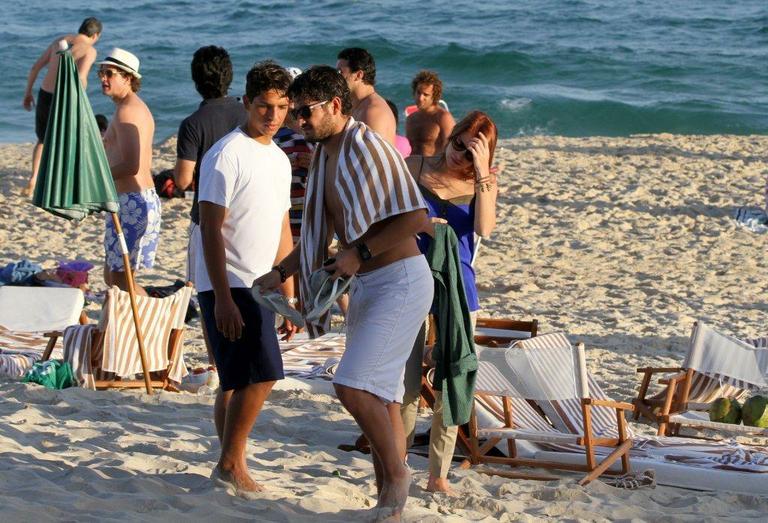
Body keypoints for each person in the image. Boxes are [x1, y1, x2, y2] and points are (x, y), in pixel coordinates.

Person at [254, 65, 432, 521]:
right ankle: (389, 503)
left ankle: (397, 476)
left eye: (304, 112)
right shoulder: (327, 155)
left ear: (335, 105)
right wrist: (280, 272)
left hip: (401, 279)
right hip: (369, 283)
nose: (297, 122)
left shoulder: (366, 146)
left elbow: (417, 219)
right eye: (294, 113)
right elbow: (322, 239)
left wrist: (361, 252)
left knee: (352, 385)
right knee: (383, 396)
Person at [194, 60, 294, 498]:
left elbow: (281, 226)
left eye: (282, 107)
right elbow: (209, 229)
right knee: (266, 373)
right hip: (227, 281)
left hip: (261, 282)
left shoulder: (279, 158)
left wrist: (287, 289)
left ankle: (231, 461)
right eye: (263, 107)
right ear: (246, 103)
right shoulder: (225, 154)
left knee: (235, 380)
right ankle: (231, 463)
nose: (272, 116)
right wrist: (221, 298)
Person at [400, 111, 498, 494]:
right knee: (406, 384)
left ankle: (438, 474)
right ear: (451, 135)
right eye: (460, 143)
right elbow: (388, 215)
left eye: (472, 149)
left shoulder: (484, 185)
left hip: (459, 293)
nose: (461, 154)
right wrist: (419, 225)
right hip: (410, 284)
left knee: (451, 383)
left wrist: (482, 168)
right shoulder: (414, 166)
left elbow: (484, 229)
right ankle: (399, 463)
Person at [174, 46, 247, 366]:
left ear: (195, 80)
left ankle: (218, 361)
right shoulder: (246, 115)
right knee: (246, 287)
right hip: (245, 212)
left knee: (209, 292)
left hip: (206, 215)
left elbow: (182, 178)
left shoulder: (193, 123)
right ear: (229, 77)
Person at [99, 48, 159, 296]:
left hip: (132, 202)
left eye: (109, 73)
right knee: (114, 276)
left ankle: (151, 322)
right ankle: (147, 322)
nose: (103, 78)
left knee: (120, 281)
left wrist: (97, 179)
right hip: (135, 200)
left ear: (128, 78)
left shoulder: (127, 111)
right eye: (101, 72)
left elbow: (132, 165)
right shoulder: (129, 107)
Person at [21, 17, 102, 196]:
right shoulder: (89, 50)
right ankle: (63, 182)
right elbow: (81, 78)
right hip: (64, 99)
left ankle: (33, 181)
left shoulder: (59, 41)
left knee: (42, 140)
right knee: (67, 141)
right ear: (96, 35)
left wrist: (28, 93)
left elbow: (35, 67)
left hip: (44, 93)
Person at [336, 47, 396, 145]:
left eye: (340, 72)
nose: (336, 77)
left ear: (359, 75)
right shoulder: (358, 105)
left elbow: (371, 158)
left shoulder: (373, 112)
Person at [405, 70, 455, 156]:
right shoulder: (410, 119)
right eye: (418, 93)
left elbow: (451, 149)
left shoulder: (443, 117)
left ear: (434, 96)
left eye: (426, 94)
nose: (420, 98)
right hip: (412, 166)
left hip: (433, 167)